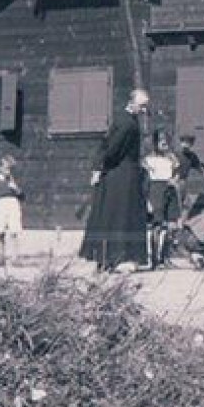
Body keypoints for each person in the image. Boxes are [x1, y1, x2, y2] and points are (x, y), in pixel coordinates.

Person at [79, 88, 151, 273]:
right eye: (142, 106)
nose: (144, 110)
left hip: (116, 172)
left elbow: (105, 144)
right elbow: (112, 150)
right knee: (122, 215)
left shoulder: (121, 119)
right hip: (123, 175)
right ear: (132, 102)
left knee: (109, 214)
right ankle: (119, 257)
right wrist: (100, 166)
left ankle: (106, 257)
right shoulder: (129, 125)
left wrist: (99, 167)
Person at [143, 130, 182, 269]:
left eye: (166, 140)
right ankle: (154, 260)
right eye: (160, 140)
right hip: (155, 190)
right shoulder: (147, 160)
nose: (164, 143)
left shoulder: (172, 158)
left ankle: (165, 257)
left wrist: (174, 180)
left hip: (169, 189)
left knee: (172, 226)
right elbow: (145, 181)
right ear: (155, 143)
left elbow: (177, 174)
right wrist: (147, 200)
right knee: (157, 226)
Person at [0, 155, 25, 266]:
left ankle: (15, 257)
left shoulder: (14, 181)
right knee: (0, 232)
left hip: (13, 204)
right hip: (0, 204)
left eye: (9, 169)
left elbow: (22, 196)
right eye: (5, 168)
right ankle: (0, 257)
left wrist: (16, 189)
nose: (8, 171)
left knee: (14, 231)